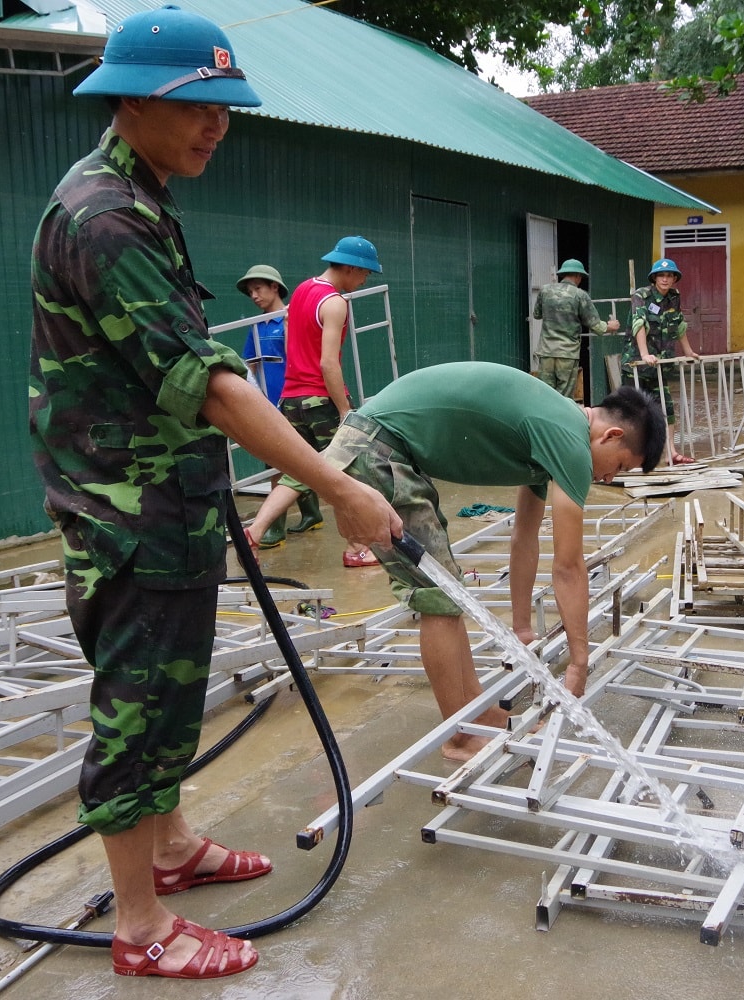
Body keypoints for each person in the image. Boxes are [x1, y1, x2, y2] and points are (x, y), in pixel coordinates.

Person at [28, 6, 399, 981]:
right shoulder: (103, 218)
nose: (219, 126)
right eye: (201, 108)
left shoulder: (143, 197)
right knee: (136, 707)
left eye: (227, 110)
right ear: (135, 100)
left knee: (174, 692)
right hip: (125, 514)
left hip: (168, 500)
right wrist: (334, 483)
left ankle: (173, 846)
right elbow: (210, 382)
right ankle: (142, 925)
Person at [252, 362, 666, 761]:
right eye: (619, 467)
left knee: (449, 593)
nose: (609, 479)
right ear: (611, 435)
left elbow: (525, 537)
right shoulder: (569, 440)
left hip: (380, 443)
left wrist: (521, 627)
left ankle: (478, 715)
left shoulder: (556, 426)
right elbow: (569, 567)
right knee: (440, 595)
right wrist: (579, 662)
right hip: (379, 449)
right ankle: (462, 736)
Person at [246, 237, 381, 568]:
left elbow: (292, 335)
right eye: (364, 273)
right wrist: (346, 410)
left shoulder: (304, 289)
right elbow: (328, 363)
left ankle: (256, 529)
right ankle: (358, 548)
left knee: (298, 472)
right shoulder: (335, 303)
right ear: (349, 267)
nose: (365, 280)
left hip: (291, 398)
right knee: (349, 470)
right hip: (321, 398)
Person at [623, 257, 703, 464]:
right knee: (634, 413)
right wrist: (643, 355)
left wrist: (688, 352)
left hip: (660, 363)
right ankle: (629, 456)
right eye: (661, 275)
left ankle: (671, 453)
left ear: (674, 278)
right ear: (654, 278)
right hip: (637, 365)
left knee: (665, 409)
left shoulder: (674, 297)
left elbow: (679, 325)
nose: (665, 279)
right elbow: (638, 323)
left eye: (669, 275)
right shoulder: (641, 295)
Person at [532, 258, 621, 399]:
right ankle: (560, 420)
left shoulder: (545, 290)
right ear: (578, 276)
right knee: (564, 396)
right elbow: (596, 326)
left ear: (563, 274)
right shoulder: (580, 295)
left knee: (545, 395)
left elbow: (536, 315)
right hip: (567, 354)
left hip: (546, 352)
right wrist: (611, 326)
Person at [234, 264, 288, 405]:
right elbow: (250, 366)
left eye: (257, 289)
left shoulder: (292, 318)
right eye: (250, 292)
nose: (254, 296)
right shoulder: (256, 326)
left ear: (274, 287)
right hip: (268, 404)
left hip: (296, 401)